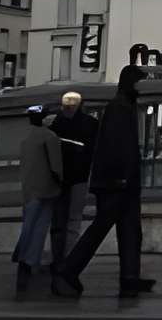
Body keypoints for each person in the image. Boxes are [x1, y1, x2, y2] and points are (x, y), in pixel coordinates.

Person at [53, 62, 153, 298]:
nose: (142, 87)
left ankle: (129, 277)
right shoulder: (120, 107)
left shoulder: (122, 105)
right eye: (139, 82)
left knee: (128, 229)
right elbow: (117, 146)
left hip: (119, 181)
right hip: (117, 182)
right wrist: (121, 178)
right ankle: (69, 270)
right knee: (105, 228)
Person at [13, 107, 66, 292]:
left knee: (29, 225)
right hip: (48, 189)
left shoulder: (25, 138)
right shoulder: (50, 137)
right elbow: (56, 167)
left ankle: (23, 259)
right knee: (41, 227)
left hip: (30, 189)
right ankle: (29, 260)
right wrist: (61, 182)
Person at [49, 89, 97, 261]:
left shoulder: (55, 124)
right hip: (80, 175)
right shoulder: (91, 124)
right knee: (74, 219)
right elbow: (94, 150)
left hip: (58, 177)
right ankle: (68, 256)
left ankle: (57, 256)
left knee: (57, 220)